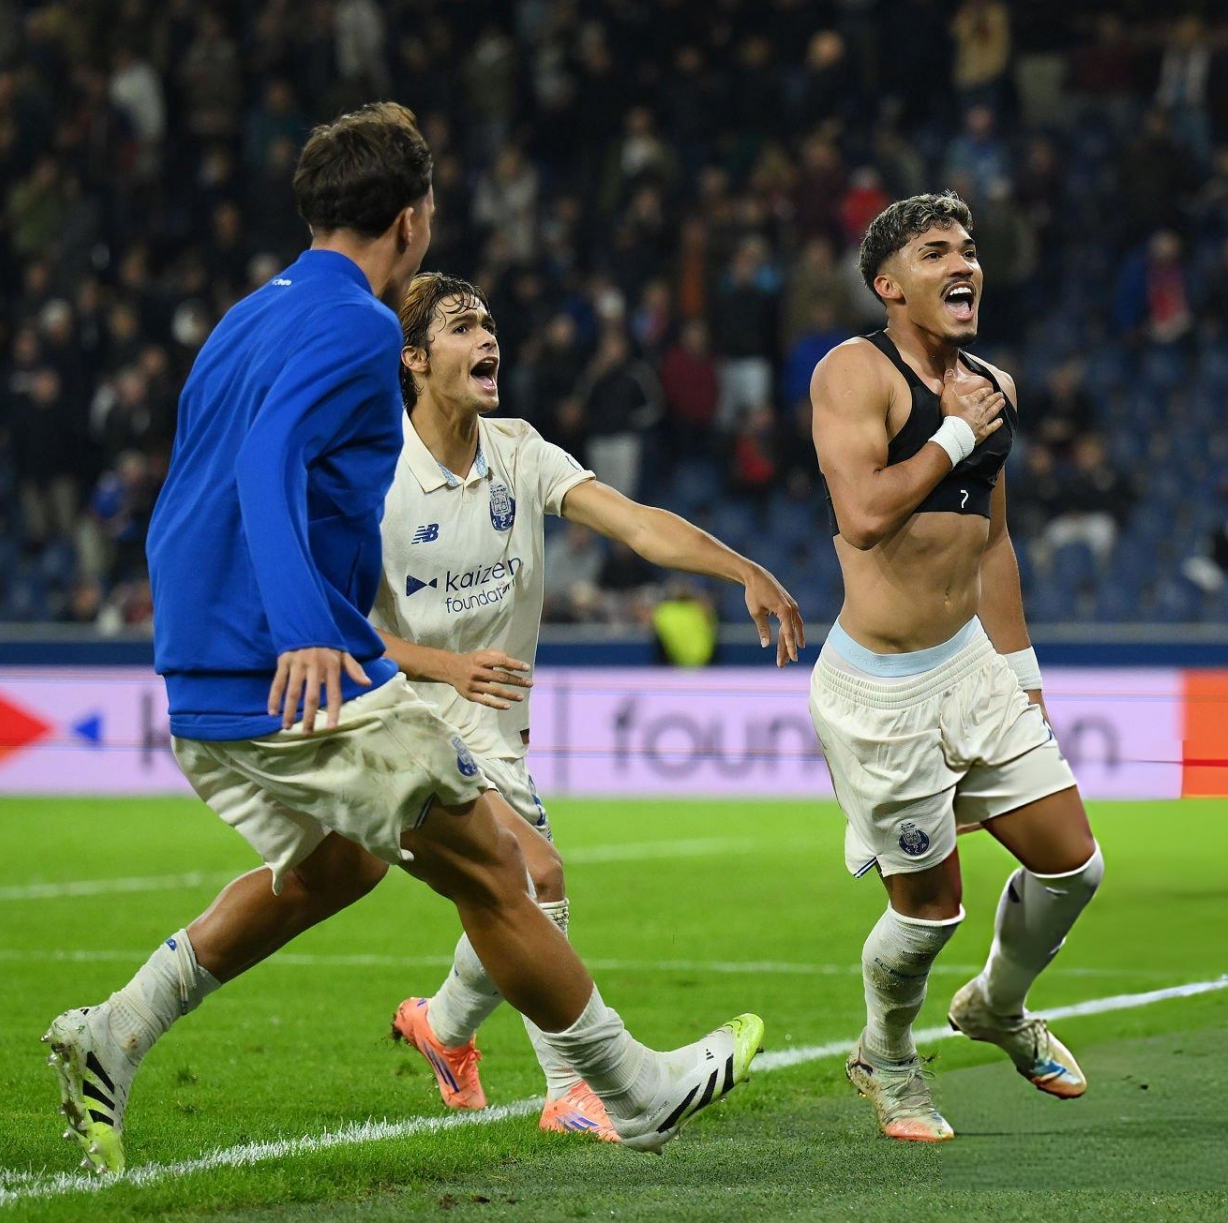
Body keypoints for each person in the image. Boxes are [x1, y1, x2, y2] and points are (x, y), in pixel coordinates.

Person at [42, 104, 762, 1176]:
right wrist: (299, 628)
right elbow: (265, 462)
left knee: (337, 867)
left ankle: (115, 1029)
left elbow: (189, 491)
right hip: (293, 662)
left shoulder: (244, 318)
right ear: (412, 219)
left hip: (207, 665)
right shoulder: (361, 324)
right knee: (504, 866)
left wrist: (214, 633)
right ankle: (632, 1089)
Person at [371, 272, 804, 1141]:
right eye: (463, 326)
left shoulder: (520, 451)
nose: (488, 337)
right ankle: (570, 1089)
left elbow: (636, 522)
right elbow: (333, 631)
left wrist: (742, 568)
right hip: (398, 721)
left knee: (504, 891)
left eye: (490, 323)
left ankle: (442, 1028)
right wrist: (445, 665)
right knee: (537, 874)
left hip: (493, 730)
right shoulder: (374, 473)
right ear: (414, 359)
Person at [807, 191, 1104, 1143]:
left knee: (1075, 866)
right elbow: (862, 515)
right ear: (889, 285)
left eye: (968, 248)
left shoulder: (991, 383)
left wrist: (1022, 672)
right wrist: (954, 433)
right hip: (879, 690)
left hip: (972, 667)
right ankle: (886, 1055)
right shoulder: (854, 372)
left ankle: (996, 1005)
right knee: (930, 912)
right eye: (936, 251)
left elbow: (995, 543)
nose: (963, 263)